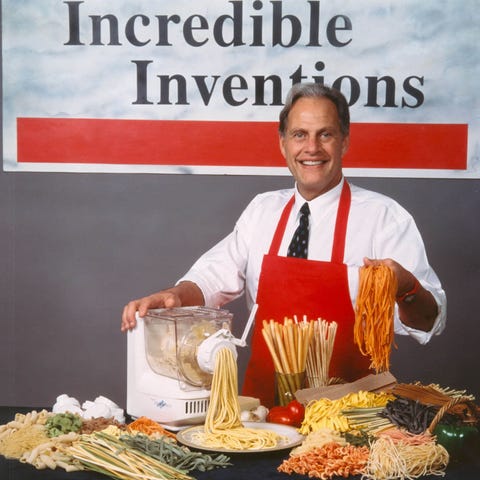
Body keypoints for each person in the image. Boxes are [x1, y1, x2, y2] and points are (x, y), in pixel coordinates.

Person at [121, 83, 446, 407]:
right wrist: (176, 296)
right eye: (300, 134)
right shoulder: (262, 210)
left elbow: (429, 323)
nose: (312, 148)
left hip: (351, 414)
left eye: (326, 134)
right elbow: (212, 278)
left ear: (345, 141)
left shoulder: (384, 217)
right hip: (264, 411)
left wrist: (406, 287)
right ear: (283, 143)